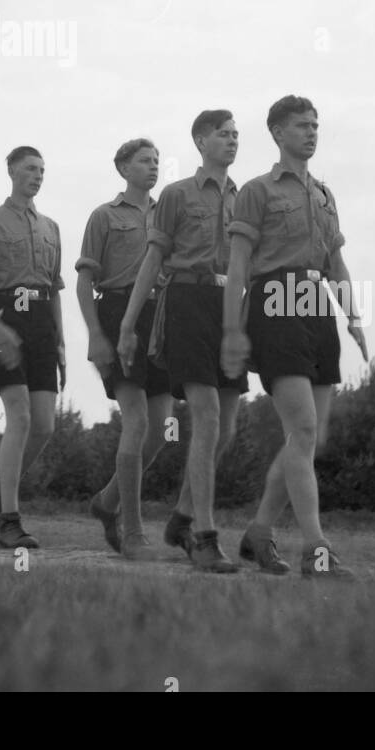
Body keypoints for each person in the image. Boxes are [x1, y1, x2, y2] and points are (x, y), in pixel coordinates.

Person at [223, 95, 368, 579]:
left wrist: (353, 318)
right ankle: (317, 551)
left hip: (316, 305)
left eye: (316, 125)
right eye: (302, 126)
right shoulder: (256, 190)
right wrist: (232, 330)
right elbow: (238, 265)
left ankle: (259, 533)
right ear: (278, 133)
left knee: (309, 436)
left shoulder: (325, 195)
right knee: (303, 429)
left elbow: (337, 264)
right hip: (273, 301)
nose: (312, 132)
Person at [118, 110, 247, 573]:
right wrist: (129, 324)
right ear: (200, 141)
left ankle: (182, 515)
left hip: (230, 303)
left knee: (228, 426)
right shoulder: (175, 195)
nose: (232, 141)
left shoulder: (245, 198)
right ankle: (205, 536)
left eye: (236, 135)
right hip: (186, 300)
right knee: (207, 415)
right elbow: (152, 262)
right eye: (223, 134)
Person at [0, 146, 66, 551]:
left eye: (42, 170)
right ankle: (9, 518)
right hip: (4, 317)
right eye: (29, 169)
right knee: (18, 415)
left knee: (44, 425)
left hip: (41, 325)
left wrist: (60, 343)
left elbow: (54, 290)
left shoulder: (51, 227)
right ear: (11, 172)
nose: (37, 176)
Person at [78, 139, 171, 561]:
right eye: (144, 161)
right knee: (135, 422)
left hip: (162, 316)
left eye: (156, 161)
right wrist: (97, 336)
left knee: (161, 430)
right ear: (123, 168)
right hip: (117, 312)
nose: (153, 167)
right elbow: (84, 281)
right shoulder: (104, 215)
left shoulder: (167, 212)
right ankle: (134, 532)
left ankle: (107, 500)